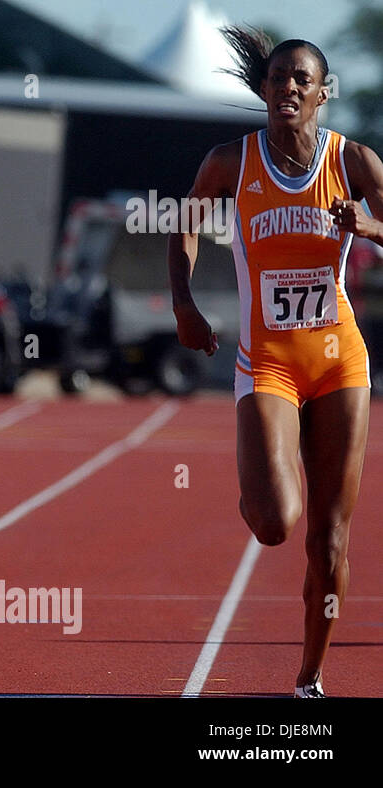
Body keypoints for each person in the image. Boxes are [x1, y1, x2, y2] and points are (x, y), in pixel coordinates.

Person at [169, 28, 380, 698]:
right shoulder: (231, 162)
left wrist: (369, 227)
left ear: (322, 93)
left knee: (331, 541)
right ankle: (263, 472)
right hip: (268, 363)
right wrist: (185, 305)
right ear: (263, 89)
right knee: (274, 522)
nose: (288, 87)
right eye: (278, 77)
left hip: (339, 360)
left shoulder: (355, 163)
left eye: (301, 79)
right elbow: (185, 224)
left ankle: (311, 676)